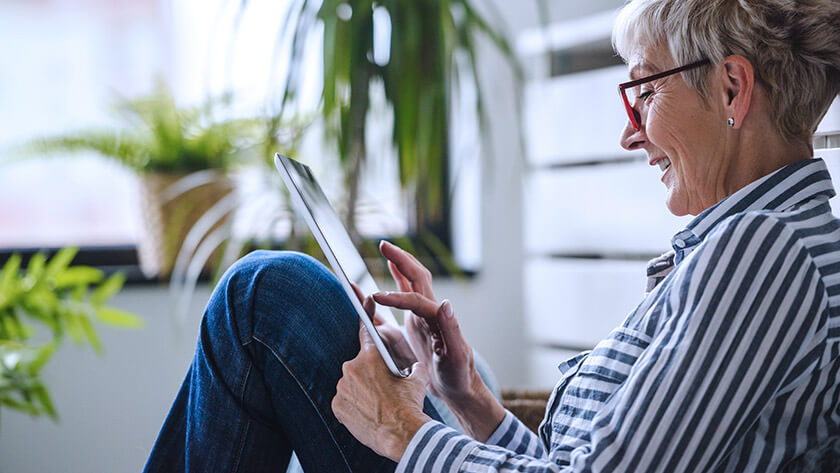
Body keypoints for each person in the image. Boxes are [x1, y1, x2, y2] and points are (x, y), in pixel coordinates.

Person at [144, 0, 840, 471]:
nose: (629, 131)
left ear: (731, 89)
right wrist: (470, 396)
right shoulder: (753, 245)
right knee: (275, 297)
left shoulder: (764, 253)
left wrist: (405, 430)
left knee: (264, 294)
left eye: (645, 91)